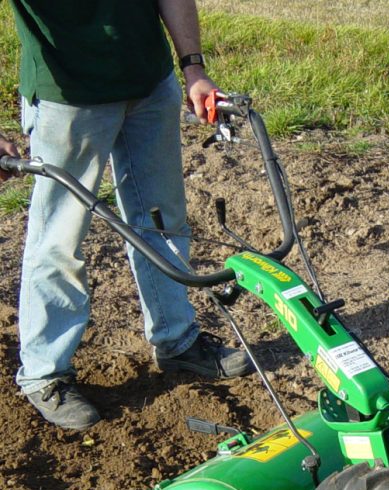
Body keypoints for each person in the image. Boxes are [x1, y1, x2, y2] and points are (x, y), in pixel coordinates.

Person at [0, 0, 254, 431]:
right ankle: (45, 372)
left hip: (150, 85)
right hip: (69, 98)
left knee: (162, 220)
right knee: (59, 238)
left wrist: (193, 67)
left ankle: (177, 339)